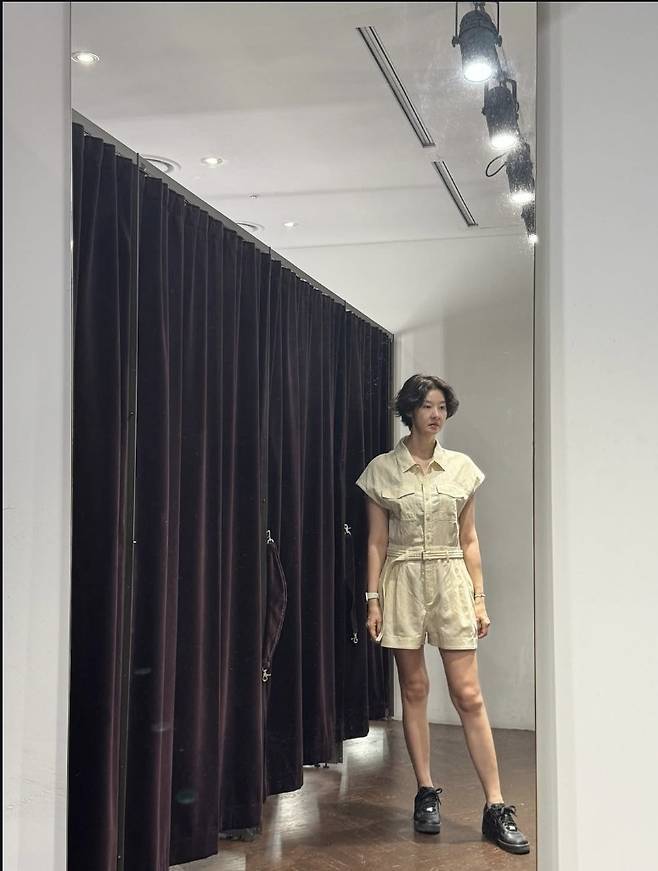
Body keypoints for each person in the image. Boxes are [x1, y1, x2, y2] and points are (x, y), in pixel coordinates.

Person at [355, 374, 530, 855]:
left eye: (441, 407)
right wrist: (372, 599)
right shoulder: (381, 471)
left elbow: (469, 539)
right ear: (410, 411)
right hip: (403, 580)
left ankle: (496, 806)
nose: (436, 415)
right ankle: (426, 791)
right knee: (414, 689)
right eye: (427, 406)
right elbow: (376, 542)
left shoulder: (462, 469)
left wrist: (479, 597)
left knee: (469, 694)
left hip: (452, 581)